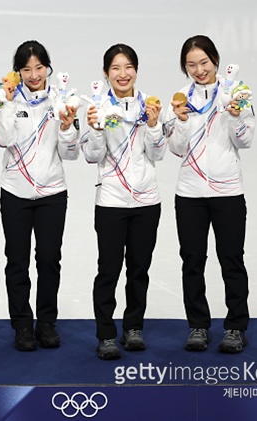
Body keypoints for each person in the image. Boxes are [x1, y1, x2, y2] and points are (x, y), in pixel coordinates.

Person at [164, 35, 256, 353]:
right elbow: (176, 149)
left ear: (215, 60)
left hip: (228, 191)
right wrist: (181, 121)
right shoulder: (180, 100)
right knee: (192, 261)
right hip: (190, 193)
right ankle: (198, 326)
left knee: (231, 260)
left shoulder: (236, 94)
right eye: (191, 64)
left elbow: (245, 141)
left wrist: (235, 116)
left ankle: (235, 328)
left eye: (204, 62)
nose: (199, 70)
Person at [80, 44, 165, 360]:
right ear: (106, 73)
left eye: (128, 67)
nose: (123, 74)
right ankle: (106, 334)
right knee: (108, 270)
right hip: (111, 201)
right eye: (115, 68)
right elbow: (91, 156)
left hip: (146, 201)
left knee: (139, 269)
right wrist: (96, 129)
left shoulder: (150, 105)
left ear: (136, 71)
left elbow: (158, 154)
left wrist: (154, 126)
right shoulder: (97, 107)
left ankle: (133, 328)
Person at [0, 40, 79, 351]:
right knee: (17, 262)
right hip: (15, 192)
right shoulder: (8, 99)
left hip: (52, 193)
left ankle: (46, 322)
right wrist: (5, 104)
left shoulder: (62, 100)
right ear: (17, 71)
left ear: (48, 68)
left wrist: (68, 128)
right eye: (26, 69)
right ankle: (21, 325)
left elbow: (70, 154)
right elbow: (2, 139)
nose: (33, 75)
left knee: (48, 260)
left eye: (39, 68)